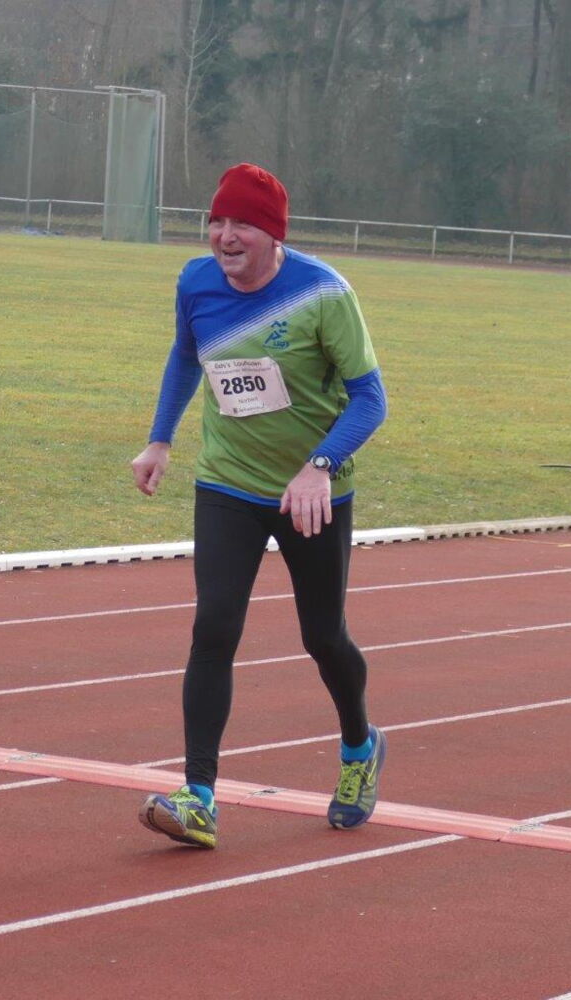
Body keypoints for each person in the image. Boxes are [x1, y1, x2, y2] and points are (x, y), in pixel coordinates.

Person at [131, 163, 388, 849]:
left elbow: (370, 399)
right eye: (216, 222)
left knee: (322, 636)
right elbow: (186, 356)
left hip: (311, 492)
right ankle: (199, 798)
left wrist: (319, 467)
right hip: (228, 483)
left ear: (274, 234)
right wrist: (160, 439)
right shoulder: (195, 282)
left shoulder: (324, 294)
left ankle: (360, 747)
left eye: (241, 224)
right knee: (213, 627)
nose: (225, 236)